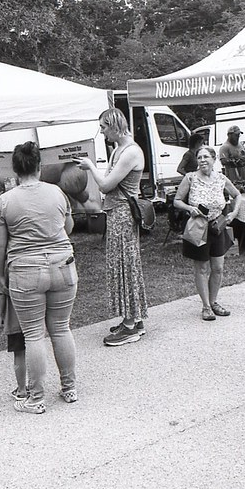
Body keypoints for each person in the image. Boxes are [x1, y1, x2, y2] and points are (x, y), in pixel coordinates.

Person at [0, 142, 78, 413]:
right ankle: (69, 387)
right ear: (39, 166)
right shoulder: (57, 192)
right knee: (61, 328)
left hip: (25, 270)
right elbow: (69, 226)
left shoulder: (4, 202)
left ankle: (36, 398)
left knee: (34, 335)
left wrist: (1, 275)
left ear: (15, 169)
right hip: (62, 264)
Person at [78, 108, 148, 346]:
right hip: (117, 213)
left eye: (104, 127)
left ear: (115, 125)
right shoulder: (119, 150)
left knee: (125, 266)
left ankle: (129, 326)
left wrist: (90, 166)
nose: (102, 132)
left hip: (123, 215)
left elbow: (106, 185)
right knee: (123, 264)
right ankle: (133, 318)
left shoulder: (129, 152)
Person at [172, 146, 241, 320]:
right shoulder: (190, 178)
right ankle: (206, 306)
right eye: (199, 157)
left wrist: (233, 213)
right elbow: (177, 201)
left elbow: (237, 195)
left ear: (214, 159)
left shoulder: (221, 178)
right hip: (198, 227)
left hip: (217, 226)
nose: (202, 160)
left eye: (206, 157)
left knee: (218, 268)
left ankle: (214, 301)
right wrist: (190, 208)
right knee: (201, 268)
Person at [0, 270, 28, 402]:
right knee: (35, 348)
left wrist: (0, 314)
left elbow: (0, 293)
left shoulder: (4, 266)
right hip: (33, 315)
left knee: (19, 354)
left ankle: (22, 389)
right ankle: (36, 385)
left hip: (14, 318)